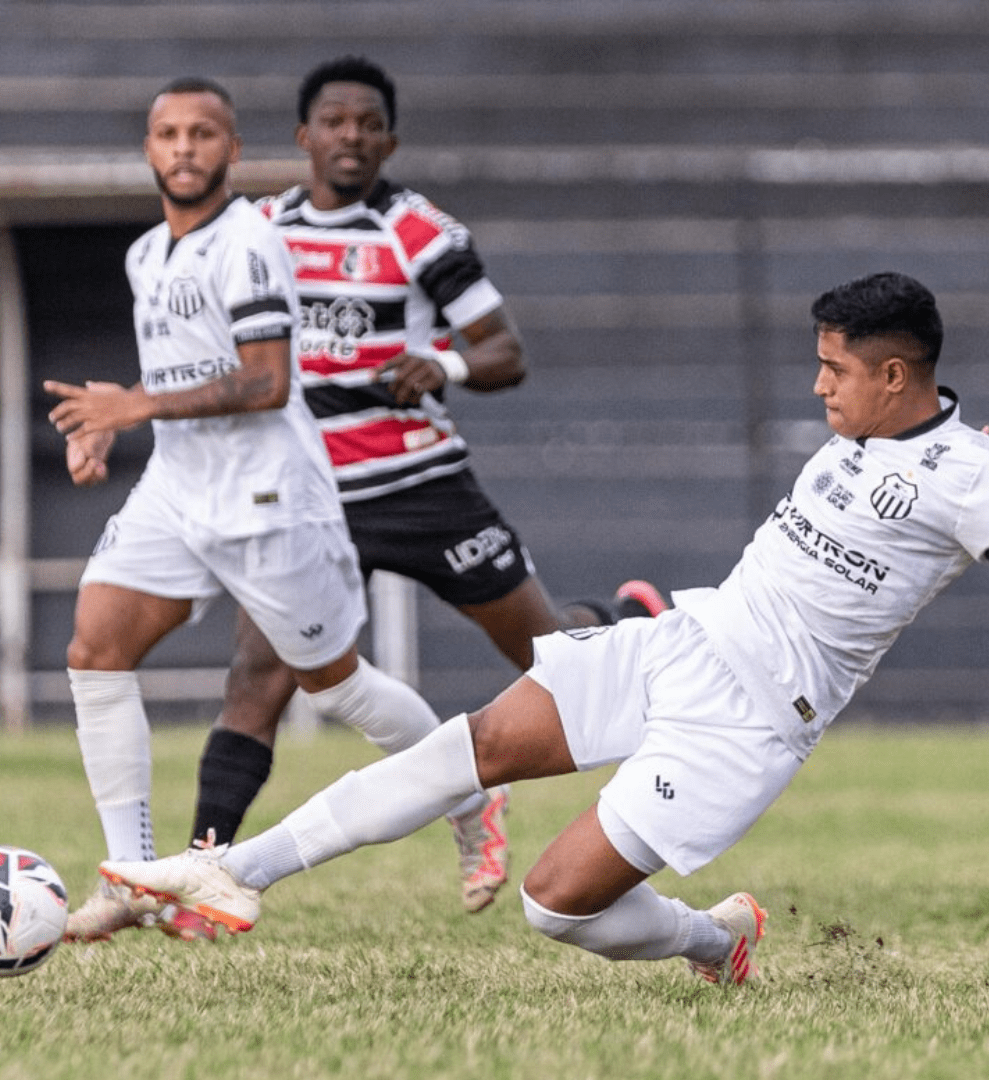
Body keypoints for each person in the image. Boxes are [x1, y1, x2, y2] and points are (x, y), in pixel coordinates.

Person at [98, 271, 989, 985]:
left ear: (894, 374)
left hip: (750, 722)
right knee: (465, 749)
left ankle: (713, 938)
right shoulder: (872, 428)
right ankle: (235, 872)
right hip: (687, 638)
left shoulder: (975, 481)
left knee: (553, 907)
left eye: (834, 370)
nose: (818, 388)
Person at [189, 55, 663, 916]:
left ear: (390, 142)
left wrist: (443, 364)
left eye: (369, 125)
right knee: (257, 677)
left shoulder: (420, 232)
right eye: (335, 122)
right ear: (303, 137)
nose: (352, 137)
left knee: (549, 657)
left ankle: (627, 623)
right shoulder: (257, 231)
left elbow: (505, 352)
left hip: (422, 488)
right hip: (309, 497)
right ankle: (197, 874)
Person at [44, 76, 465, 942]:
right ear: (149, 149)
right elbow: (174, 372)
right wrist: (109, 426)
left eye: (203, 134)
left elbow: (267, 381)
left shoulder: (249, 242)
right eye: (168, 133)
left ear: (232, 151)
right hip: (177, 490)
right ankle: (131, 877)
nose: (184, 148)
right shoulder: (145, 254)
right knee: (95, 649)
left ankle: (468, 792)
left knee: (335, 685)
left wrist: (135, 405)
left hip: (267, 497)